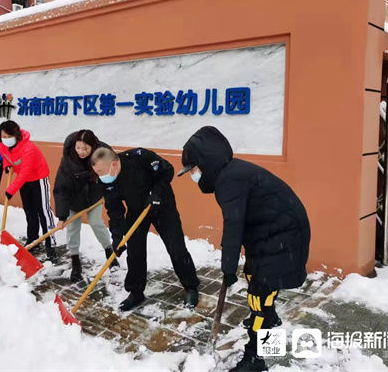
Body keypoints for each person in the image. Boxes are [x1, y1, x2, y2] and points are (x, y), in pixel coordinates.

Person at [178, 126, 311, 372]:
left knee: (260, 294)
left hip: (283, 235)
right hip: (272, 233)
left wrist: (228, 268)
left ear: (205, 164)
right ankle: (267, 317)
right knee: (257, 280)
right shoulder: (230, 173)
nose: (192, 176)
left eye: (193, 170)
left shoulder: (230, 180)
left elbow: (233, 225)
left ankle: (256, 358)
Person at [91, 146, 200, 311]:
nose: (100, 176)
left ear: (113, 164)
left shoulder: (139, 157)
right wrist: (117, 236)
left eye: (101, 171)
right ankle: (136, 292)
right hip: (136, 211)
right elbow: (115, 210)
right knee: (135, 252)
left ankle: (191, 286)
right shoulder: (106, 182)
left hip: (162, 205)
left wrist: (156, 192)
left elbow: (167, 170)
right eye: (97, 172)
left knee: (176, 247)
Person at [54, 130, 119, 282]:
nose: (81, 152)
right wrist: (62, 216)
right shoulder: (68, 160)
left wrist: (108, 192)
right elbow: (61, 189)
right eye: (78, 147)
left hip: (94, 197)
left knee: (96, 223)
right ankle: (75, 262)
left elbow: (113, 173)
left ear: (93, 147)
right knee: (73, 228)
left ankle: (109, 252)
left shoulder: (102, 155)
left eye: (85, 149)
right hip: (73, 199)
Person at [0, 120, 57, 261]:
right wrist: (7, 166)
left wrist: (11, 190)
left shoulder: (29, 148)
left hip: (38, 179)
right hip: (24, 181)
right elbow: (6, 158)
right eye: (2, 137)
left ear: (16, 134)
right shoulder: (3, 146)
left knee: (43, 211)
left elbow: (26, 171)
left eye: (8, 136)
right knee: (29, 211)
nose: (5, 140)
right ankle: (33, 240)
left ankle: (50, 245)